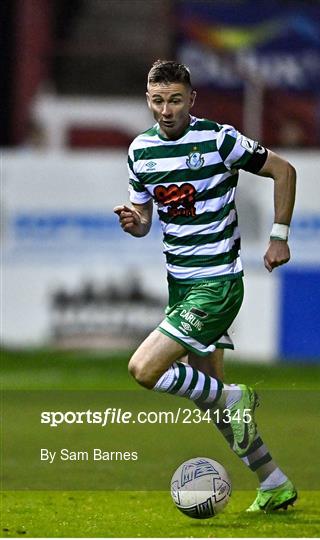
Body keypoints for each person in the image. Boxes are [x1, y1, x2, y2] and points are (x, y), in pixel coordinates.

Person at [114, 60, 297, 513]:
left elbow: (284, 170)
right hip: (180, 283)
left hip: (217, 282)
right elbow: (145, 223)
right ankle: (273, 481)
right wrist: (134, 223)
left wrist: (279, 236)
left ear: (191, 100)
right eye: (157, 100)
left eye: (175, 100)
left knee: (144, 370)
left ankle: (239, 398)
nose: (166, 109)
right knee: (210, 396)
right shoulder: (140, 151)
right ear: (148, 100)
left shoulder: (219, 139)